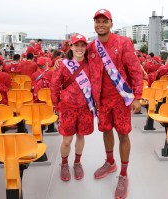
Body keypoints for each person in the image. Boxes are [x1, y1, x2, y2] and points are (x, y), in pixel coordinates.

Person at [88, 9, 143, 199]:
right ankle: (110, 162)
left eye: (105, 21)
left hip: (121, 99)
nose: (100, 24)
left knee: (123, 135)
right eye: (97, 21)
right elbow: (79, 62)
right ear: (94, 24)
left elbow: (135, 70)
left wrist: (137, 96)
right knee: (105, 130)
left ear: (111, 23)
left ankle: (123, 174)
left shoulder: (123, 43)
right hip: (101, 100)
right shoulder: (91, 47)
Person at [51, 33, 95, 182]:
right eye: (77, 45)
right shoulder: (63, 64)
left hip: (85, 108)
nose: (80, 48)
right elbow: (55, 85)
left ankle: (77, 162)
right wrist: (56, 105)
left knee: (81, 136)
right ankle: (64, 163)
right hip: (67, 108)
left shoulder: (91, 64)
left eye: (83, 45)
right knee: (67, 141)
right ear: (71, 47)